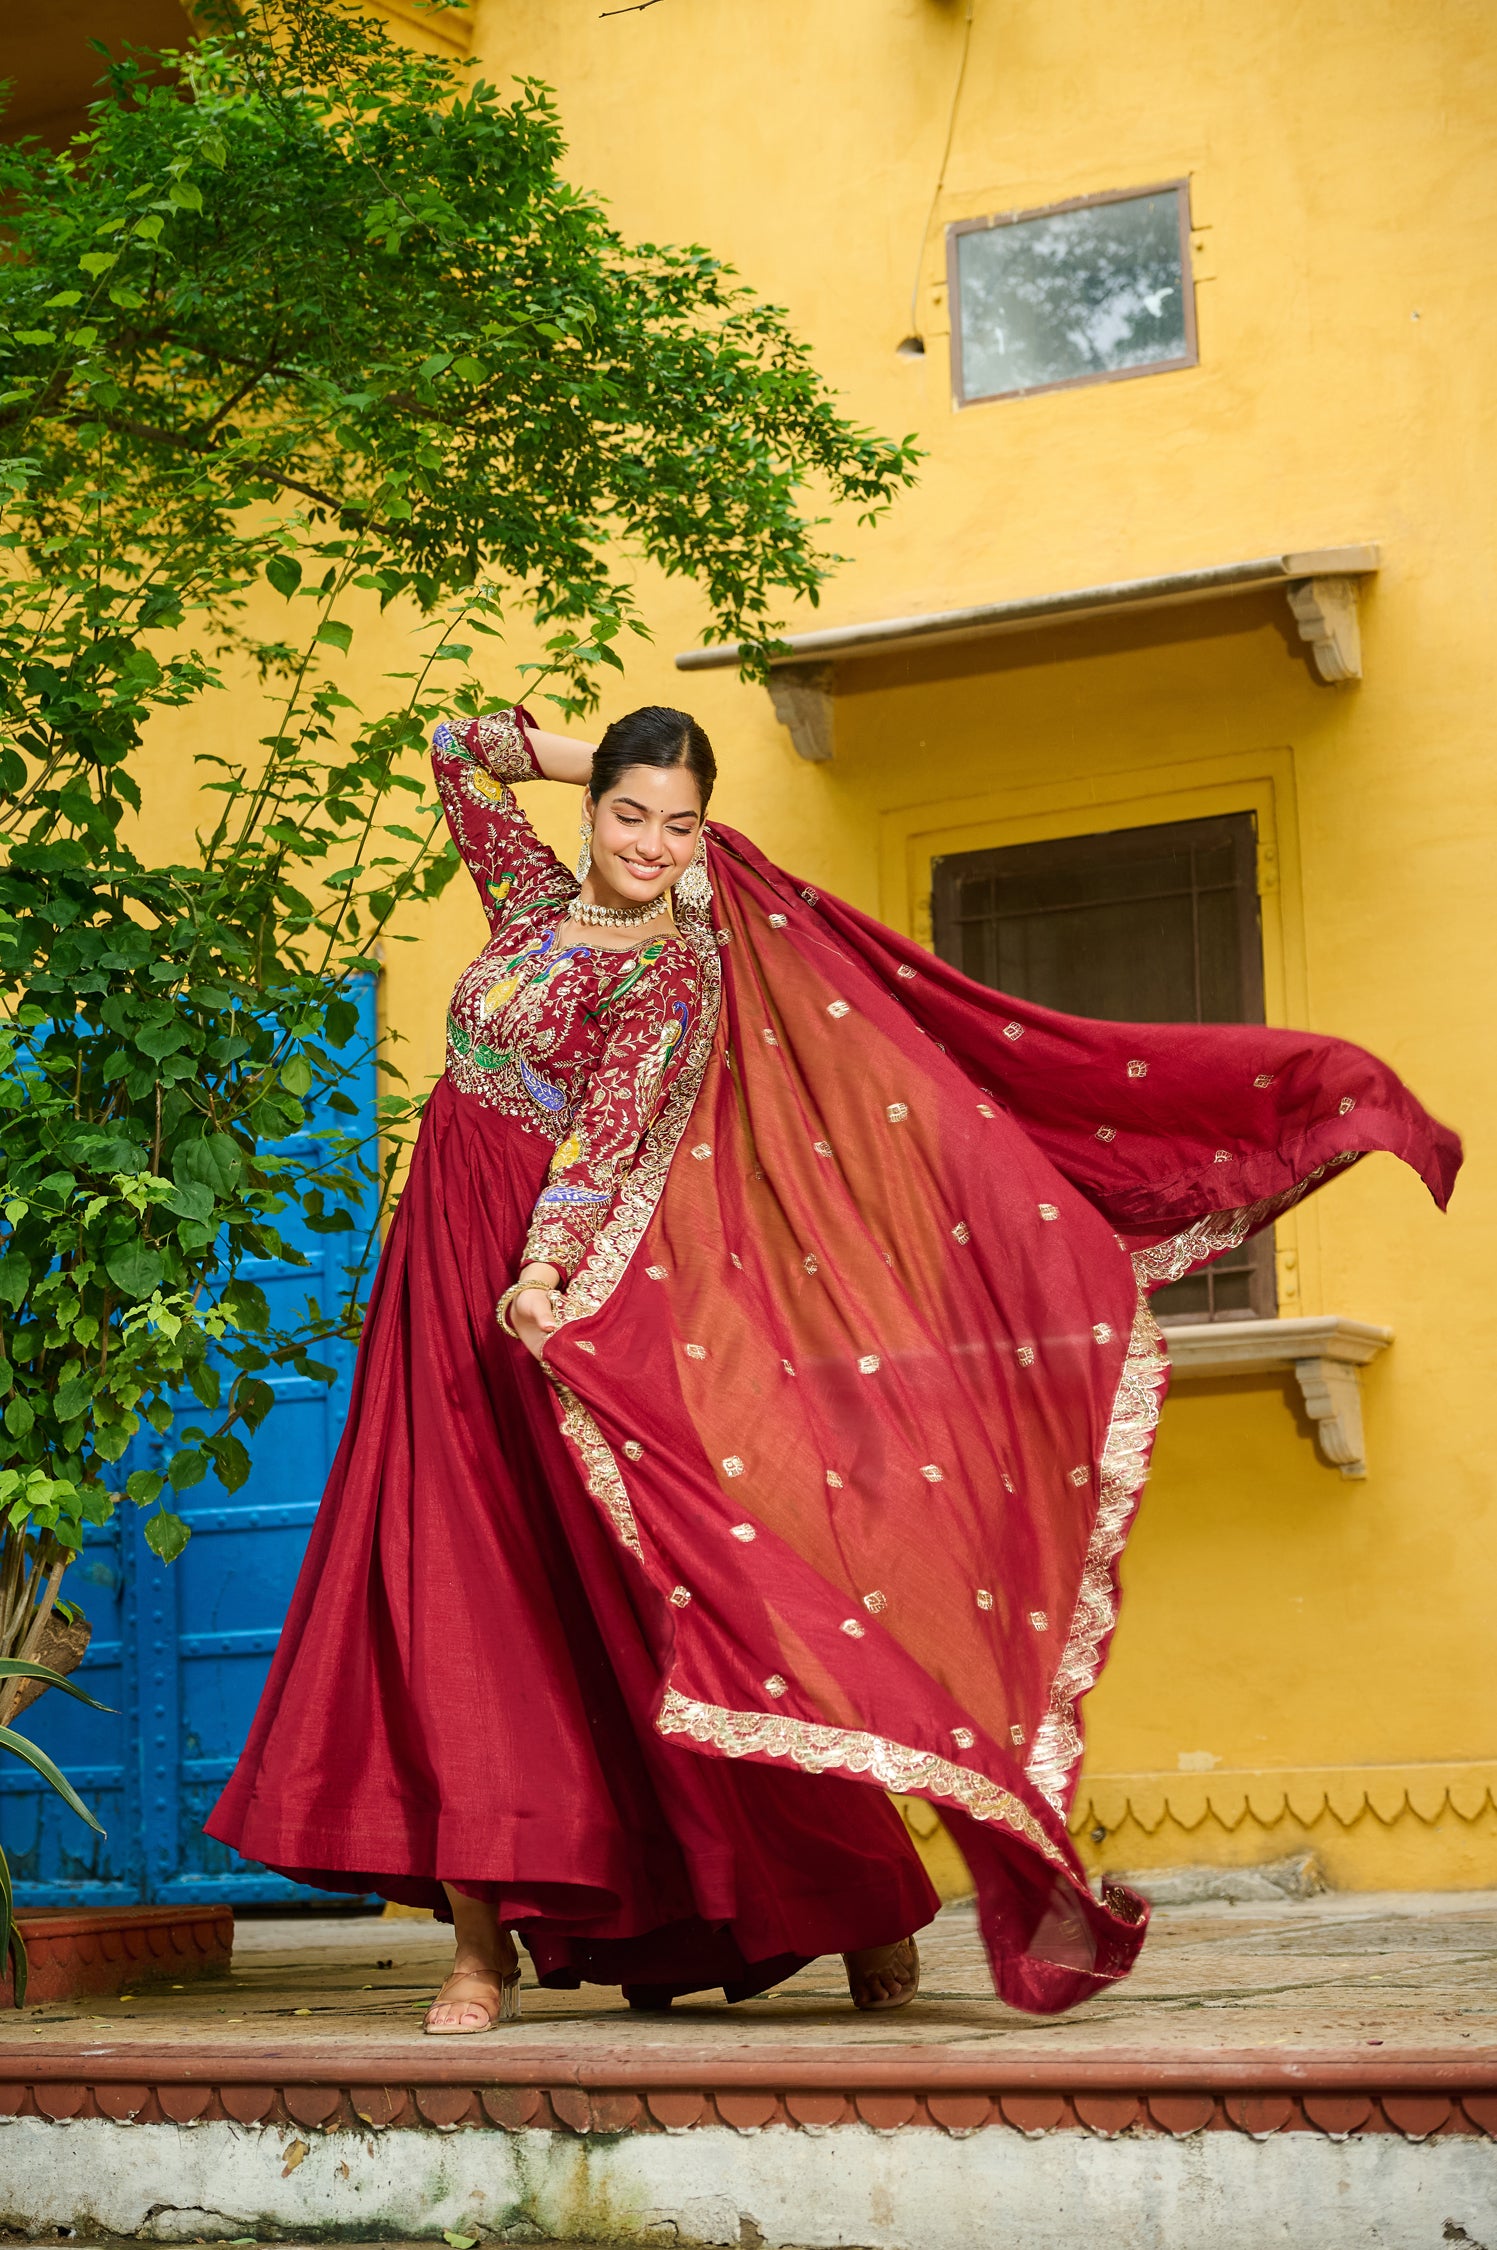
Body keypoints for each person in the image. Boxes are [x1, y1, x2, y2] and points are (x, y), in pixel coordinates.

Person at [207, 701, 1459, 2032]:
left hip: (548, 1286)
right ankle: (479, 1952)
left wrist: (541, 1274)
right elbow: (459, 747)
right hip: (430, 1280)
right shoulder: (522, 906)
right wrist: (628, 761)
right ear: (593, 812)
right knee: (450, 1589)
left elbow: (607, 1136)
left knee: (665, 1599)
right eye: (631, 814)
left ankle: (857, 1901)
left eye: (680, 824)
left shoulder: (669, 973)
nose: (649, 842)